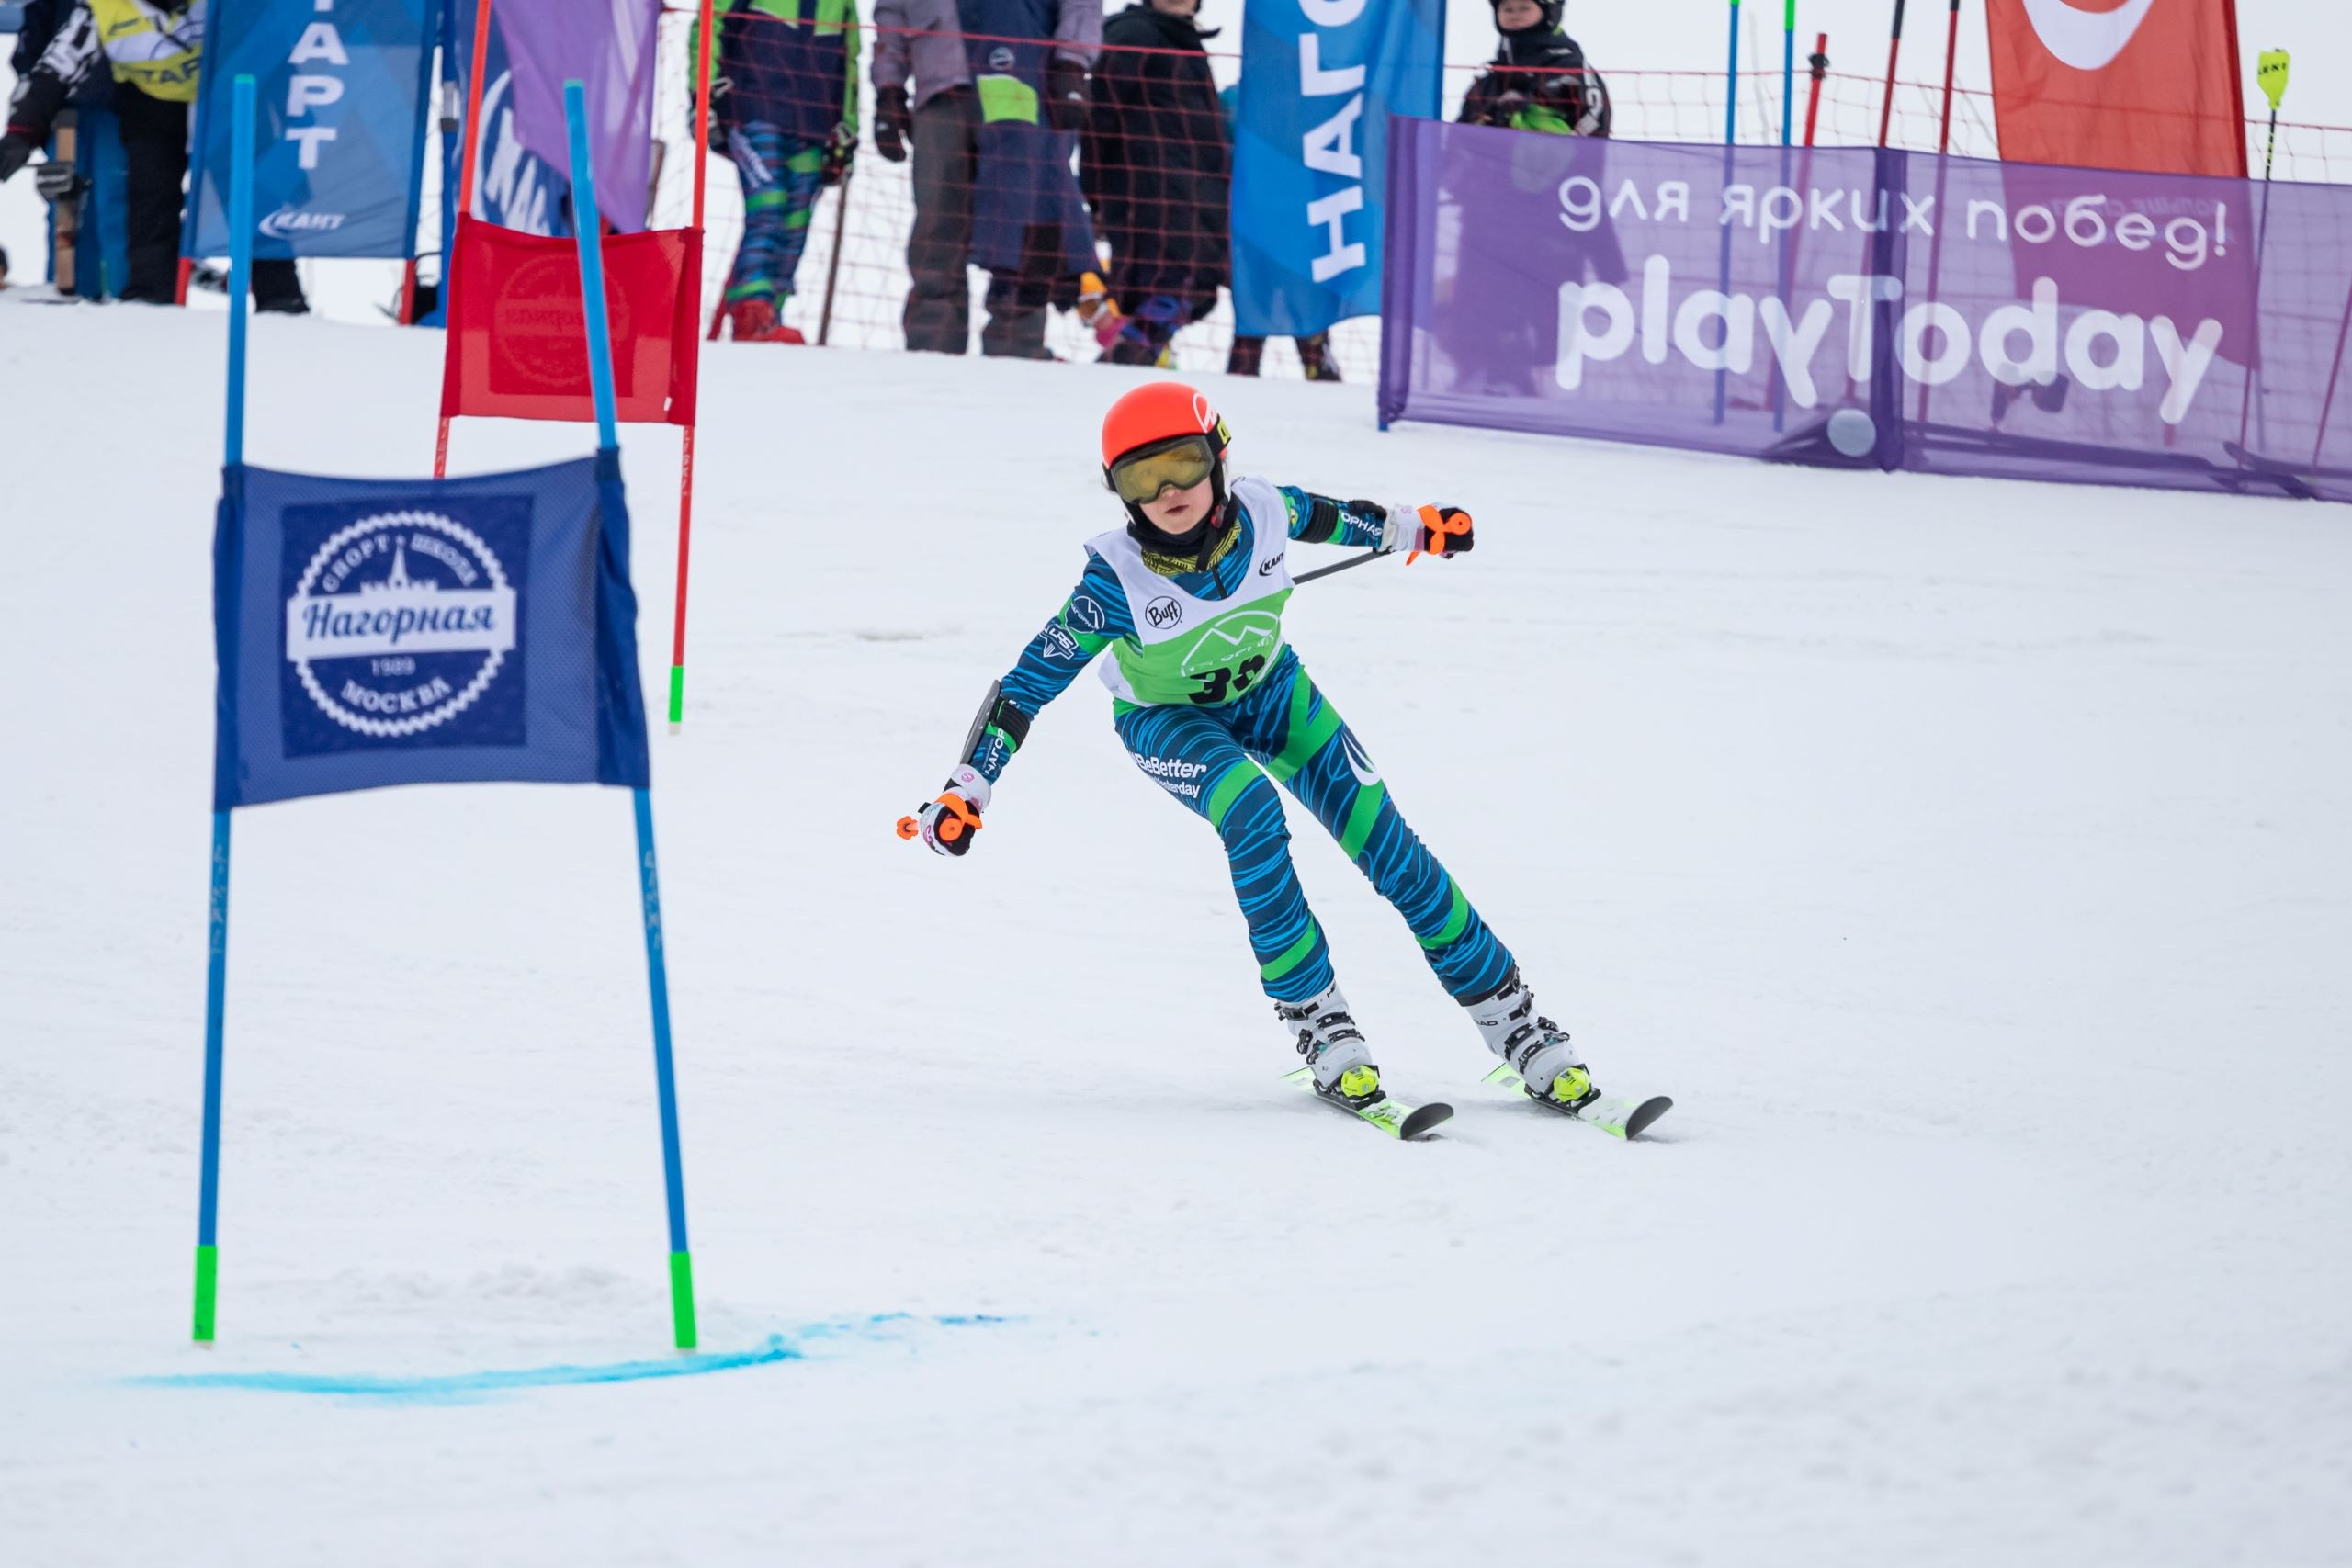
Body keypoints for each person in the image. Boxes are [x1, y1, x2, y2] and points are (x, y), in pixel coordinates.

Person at [899, 382, 1661, 1134]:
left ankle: (1516, 1025)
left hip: (1274, 693)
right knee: (1252, 811)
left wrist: (1418, 528)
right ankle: (1321, 1025)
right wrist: (967, 788)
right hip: (1169, 722)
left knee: (1389, 844)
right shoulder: (1113, 582)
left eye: (1183, 464)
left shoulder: (1266, 510)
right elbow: (1025, 686)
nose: (1167, 491)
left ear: (1218, 457)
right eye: (1140, 478)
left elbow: (1340, 517)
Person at [1, 1, 307, 310]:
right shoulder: (104, 6)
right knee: (150, 198)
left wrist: (298, 126)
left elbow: (275, 44)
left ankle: (281, 298)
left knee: (251, 199)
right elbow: (56, 67)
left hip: (224, 102)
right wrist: (21, 133)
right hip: (152, 107)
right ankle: (149, 298)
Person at [871, 0, 1101, 357]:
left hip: (1023, 78)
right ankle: (932, 349)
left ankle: (1016, 347)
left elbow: (1081, 5)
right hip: (942, 89)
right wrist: (890, 89)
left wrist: (1071, 64)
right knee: (938, 223)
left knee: (1024, 218)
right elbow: (892, 12)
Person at [1080, 0, 1226, 367]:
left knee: (1190, 289)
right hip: (1145, 193)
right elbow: (1099, 114)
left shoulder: (1185, 40)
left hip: (1194, 193)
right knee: (1169, 288)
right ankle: (1121, 364)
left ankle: (1123, 361)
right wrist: (1092, 184)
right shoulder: (1133, 32)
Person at [706, 0, 861, 344]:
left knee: (795, 223)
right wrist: (701, 97)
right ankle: (750, 312)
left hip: (814, 124)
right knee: (769, 206)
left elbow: (849, 65)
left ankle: (769, 315)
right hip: (752, 109)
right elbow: (709, 24)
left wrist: (847, 133)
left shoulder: (843, 5)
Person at [1458, 0, 1611, 138]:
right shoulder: (1493, 78)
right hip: (1498, 155)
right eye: (1508, 10)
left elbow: (1595, 112)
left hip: (1556, 150)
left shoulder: (1566, 62)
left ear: (1548, 10)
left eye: (1524, 9)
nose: (1515, 16)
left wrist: (1519, 106)